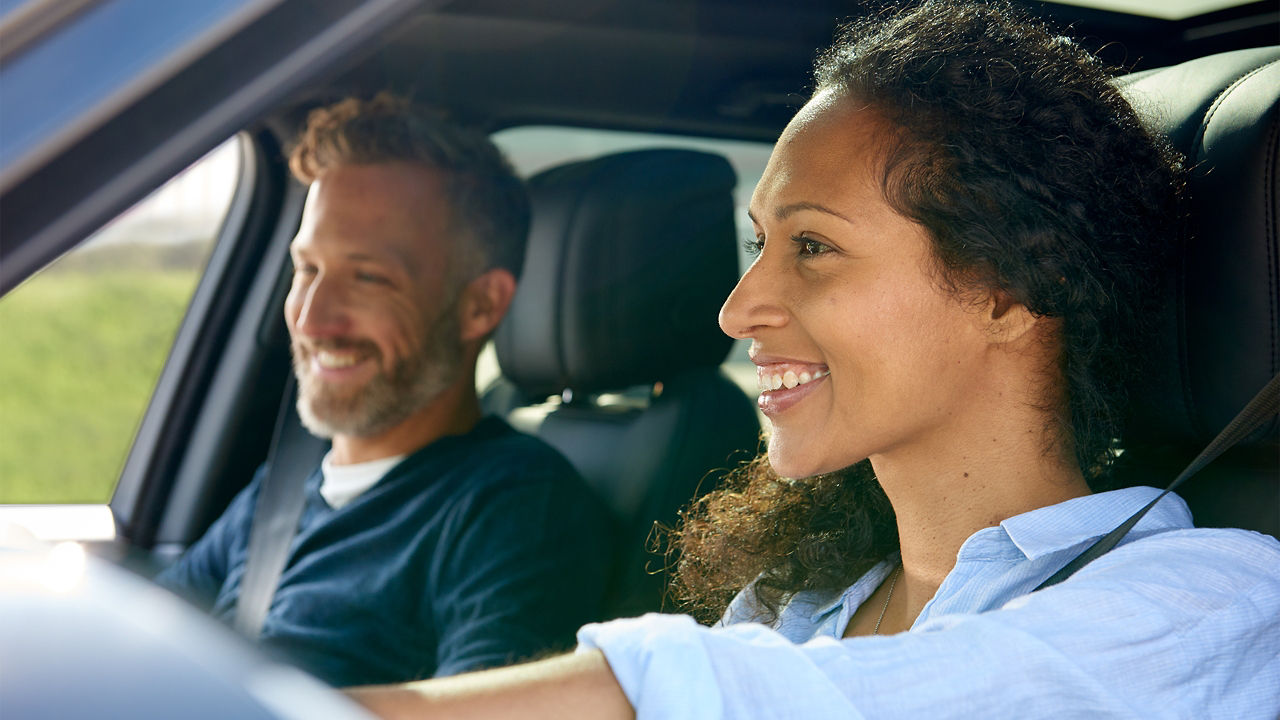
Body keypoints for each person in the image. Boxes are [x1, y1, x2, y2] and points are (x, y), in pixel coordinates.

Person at [348, 2, 1280, 717]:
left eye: (814, 247)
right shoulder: (805, 602)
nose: (738, 308)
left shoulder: (1213, 602)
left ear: (1005, 290)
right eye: (759, 244)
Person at [157, 95, 613, 688]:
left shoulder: (514, 511)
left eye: (368, 277)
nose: (313, 319)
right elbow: (142, 646)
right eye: (308, 270)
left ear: (481, 305)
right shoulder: (283, 487)